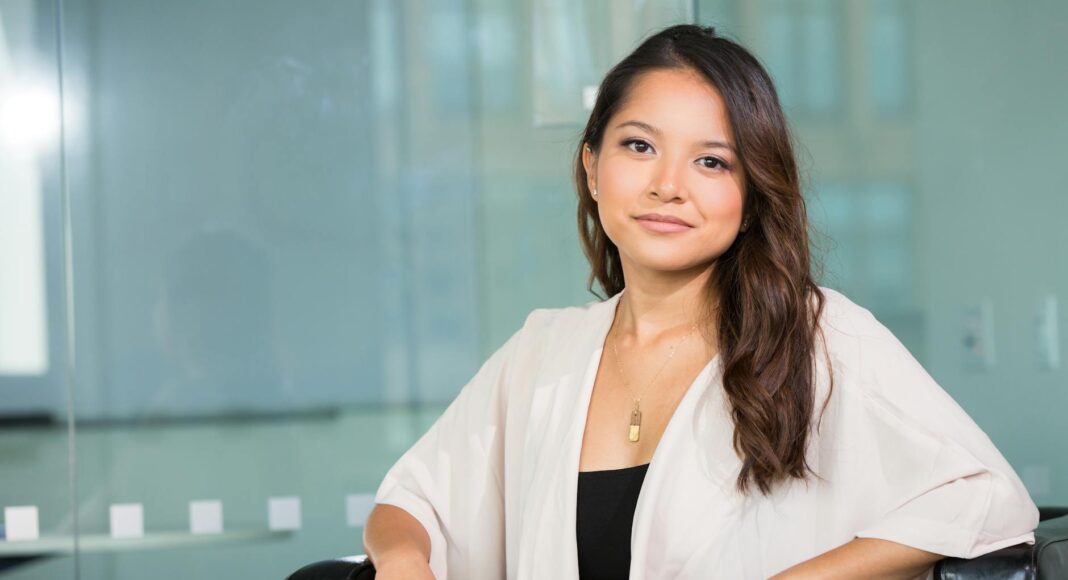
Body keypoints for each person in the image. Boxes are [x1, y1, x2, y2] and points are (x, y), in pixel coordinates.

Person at [362, 24, 1038, 580]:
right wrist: (401, 560)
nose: (668, 185)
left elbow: (986, 498)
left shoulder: (818, 336)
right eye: (639, 146)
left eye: (712, 162)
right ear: (593, 166)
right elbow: (414, 498)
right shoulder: (545, 350)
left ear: (750, 199)